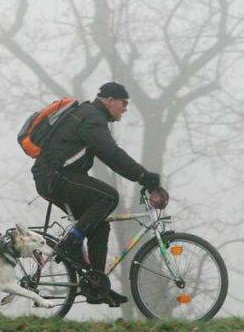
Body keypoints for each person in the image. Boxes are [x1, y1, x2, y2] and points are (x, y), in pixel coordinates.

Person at [32, 81, 161, 306]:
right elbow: (111, 154)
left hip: (55, 177)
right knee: (108, 196)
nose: (125, 108)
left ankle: (96, 285)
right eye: (123, 103)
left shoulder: (90, 116)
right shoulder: (91, 118)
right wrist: (144, 176)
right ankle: (71, 243)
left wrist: (141, 177)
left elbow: (110, 156)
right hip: (55, 177)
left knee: (99, 224)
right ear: (110, 100)